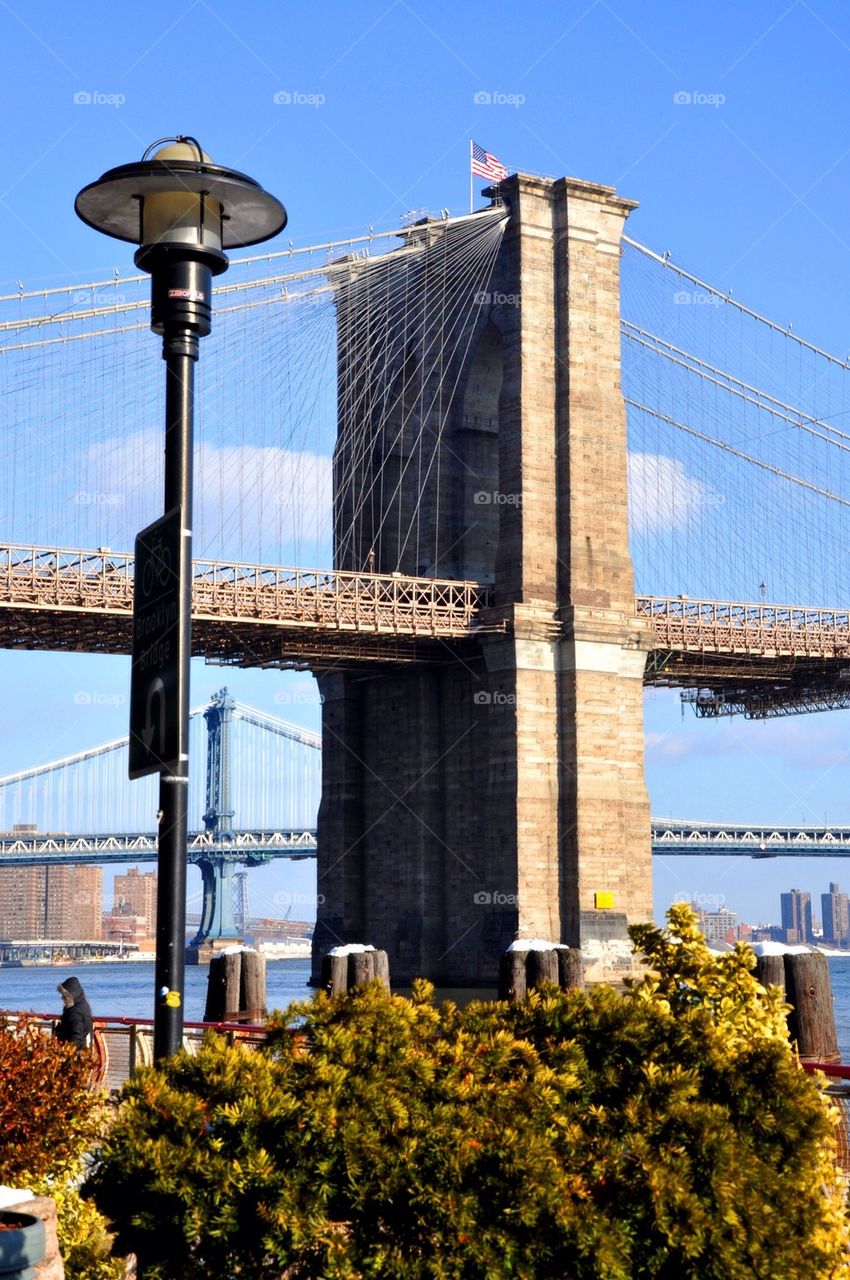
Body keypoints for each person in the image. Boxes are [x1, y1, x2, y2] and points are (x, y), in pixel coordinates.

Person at [56, 975, 92, 1050]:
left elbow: (76, 1036)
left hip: (72, 1051)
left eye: (64, 996)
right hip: (79, 1048)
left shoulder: (75, 1011)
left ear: (70, 995)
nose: (62, 998)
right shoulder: (82, 1005)